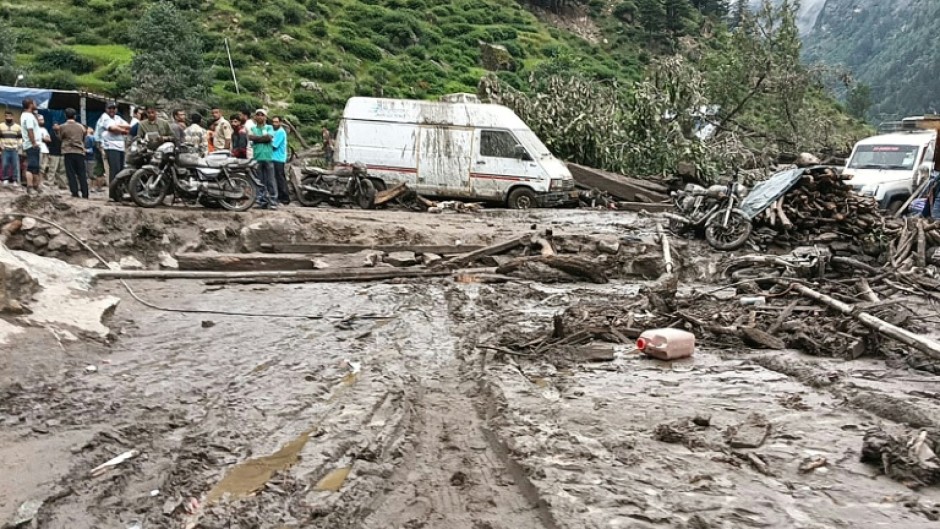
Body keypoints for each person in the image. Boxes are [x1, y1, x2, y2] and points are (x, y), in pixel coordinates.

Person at [247, 109, 277, 210]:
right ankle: (261, 201)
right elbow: (250, 137)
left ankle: (273, 202)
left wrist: (257, 138)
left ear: (265, 117)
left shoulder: (269, 127)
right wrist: (262, 138)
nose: (260, 116)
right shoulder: (252, 128)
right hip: (257, 157)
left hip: (268, 157)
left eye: (262, 115)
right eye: (258, 115)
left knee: (271, 181)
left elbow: (268, 138)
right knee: (259, 181)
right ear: (255, 117)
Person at [96, 101, 130, 185]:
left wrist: (117, 126)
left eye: (113, 108)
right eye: (109, 108)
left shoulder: (117, 118)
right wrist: (122, 130)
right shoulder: (104, 117)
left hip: (120, 147)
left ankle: (118, 191)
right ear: (106, 109)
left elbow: (128, 126)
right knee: (114, 170)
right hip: (109, 146)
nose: (112, 110)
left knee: (120, 170)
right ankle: (112, 193)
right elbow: (112, 128)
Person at [57, 108, 89, 199]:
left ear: (65, 116)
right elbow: (84, 137)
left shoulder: (62, 126)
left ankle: (74, 192)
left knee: (71, 173)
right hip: (79, 151)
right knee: (82, 173)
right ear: (75, 116)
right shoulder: (81, 127)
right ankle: (85, 193)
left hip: (68, 151)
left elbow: (60, 138)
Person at [20, 98, 44, 195]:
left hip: (30, 144)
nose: (36, 104)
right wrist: (33, 142)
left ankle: (36, 186)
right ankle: (30, 187)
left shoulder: (25, 115)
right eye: (34, 103)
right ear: (30, 104)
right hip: (32, 145)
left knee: (35, 167)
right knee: (32, 167)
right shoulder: (29, 116)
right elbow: (30, 130)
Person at [271, 116, 290, 205]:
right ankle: (280, 196)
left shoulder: (281, 132)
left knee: (280, 178)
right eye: (273, 122)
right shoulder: (274, 131)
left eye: (276, 122)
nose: (274, 124)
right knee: (276, 177)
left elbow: (274, 146)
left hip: (278, 158)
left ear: (280, 122)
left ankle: (285, 197)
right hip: (274, 157)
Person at [47, 116, 68, 190]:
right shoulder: (50, 134)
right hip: (53, 153)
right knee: (52, 169)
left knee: (62, 170)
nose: (56, 126)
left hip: (62, 153)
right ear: (52, 126)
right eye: (54, 125)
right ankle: (50, 183)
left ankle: (62, 184)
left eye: (57, 125)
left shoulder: (62, 134)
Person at [0, 110, 21, 185]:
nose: (8, 117)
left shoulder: (17, 127)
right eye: (6, 116)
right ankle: (5, 179)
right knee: (5, 164)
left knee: (15, 165)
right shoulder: (1, 126)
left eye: (9, 116)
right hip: (5, 148)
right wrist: (1, 145)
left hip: (14, 149)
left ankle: (14, 180)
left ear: (12, 117)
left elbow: (20, 137)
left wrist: (18, 145)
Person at [37, 114, 52, 184]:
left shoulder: (44, 129)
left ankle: (41, 182)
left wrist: (43, 138)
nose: (42, 121)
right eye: (40, 120)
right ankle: (37, 182)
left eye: (42, 119)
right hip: (37, 150)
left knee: (43, 167)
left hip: (44, 150)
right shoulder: (33, 129)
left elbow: (48, 139)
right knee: (38, 167)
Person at [84, 126, 100, 192]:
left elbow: (93, 148)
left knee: (91, 174)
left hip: (91, 158)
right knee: (89, 173)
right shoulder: (86, 138)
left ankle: (95, 186)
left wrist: (86, 150)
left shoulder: (92, 138)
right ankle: (91, 187)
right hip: (87, 158)